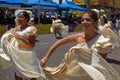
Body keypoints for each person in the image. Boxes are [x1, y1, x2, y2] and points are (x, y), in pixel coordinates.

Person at [40, 10, 120, 80]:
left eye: (88, 20)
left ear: (95, 22)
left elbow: (100, 63)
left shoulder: (101, 41)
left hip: (92, 76)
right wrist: (45, 58)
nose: (84, 22)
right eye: (83, 20)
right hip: (76, 75)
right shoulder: (77, 37)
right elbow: (58, 43)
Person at [0, 11, 46, 80]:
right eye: (18, 17)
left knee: (32, 76)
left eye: (21, 17)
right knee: (18, 76)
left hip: (28, 57)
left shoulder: (31, 29)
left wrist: (21, 38)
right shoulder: (17, 28)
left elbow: (32, 45)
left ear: (27, 19)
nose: (19, 19)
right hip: (18, 57)